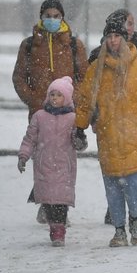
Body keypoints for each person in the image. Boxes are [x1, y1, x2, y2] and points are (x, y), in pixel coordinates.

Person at [76, 18, 137, 247]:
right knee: (113, 187)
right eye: (109, 37)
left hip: (136, 135)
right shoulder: (96, 70)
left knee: (134, 185)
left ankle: (135, 220)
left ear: (125, 39)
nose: (113, 41)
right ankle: (119, 230)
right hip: (108, 136)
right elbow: (85, 101)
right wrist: (79, 127)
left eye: (117, 36)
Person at [12, 0, 88, 224]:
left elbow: (84, 77)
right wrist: (33, 99)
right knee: (43, 161)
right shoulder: (29, 45)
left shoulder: (74, 44)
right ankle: (46, 204)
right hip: (40, 113)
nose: (52, 20)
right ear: (41, 17)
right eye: (48, 16)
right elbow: (19, 77)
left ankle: (60, 208)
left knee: (64, 162)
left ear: (62, 18)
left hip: (67, 114)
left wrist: (74, 98)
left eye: (56, 16)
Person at [17, 76, 86, 247]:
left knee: (61, 201)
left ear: (67, 98)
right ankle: (53, 227)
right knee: (48, 200)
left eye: (59, 95)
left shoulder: (73, 118)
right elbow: (30, 138)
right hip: (44, 165)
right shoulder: (39, 117)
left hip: (64, 166)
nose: (55, 98)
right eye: (52, 94)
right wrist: (23, 155)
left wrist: (80, 140)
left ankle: (59, 230)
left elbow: (78, 142)